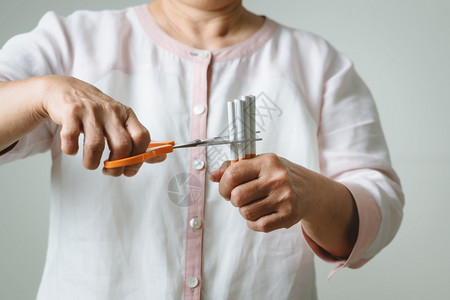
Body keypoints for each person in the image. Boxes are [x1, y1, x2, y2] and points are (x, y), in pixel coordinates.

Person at [0, 0, 404, 299]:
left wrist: (314, 196)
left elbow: (380, 204)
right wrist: (43, 91)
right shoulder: (70, 42)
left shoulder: (319, 64)